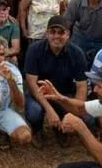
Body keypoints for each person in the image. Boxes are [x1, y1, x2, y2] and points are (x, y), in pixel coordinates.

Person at [23, 16, 89, 147]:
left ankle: (62, 128)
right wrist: (49, 109)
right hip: (40, 94)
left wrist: (74, 113)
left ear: (68, 35)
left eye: (61, 32)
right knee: (34, 112)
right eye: (52, 32)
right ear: (47, 33)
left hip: (64, 94)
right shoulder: (34, 49)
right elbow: (31, 83)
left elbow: (82, 87)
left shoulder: (77, 53)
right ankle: (37, 130)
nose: (56, 36)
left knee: (88, 117)